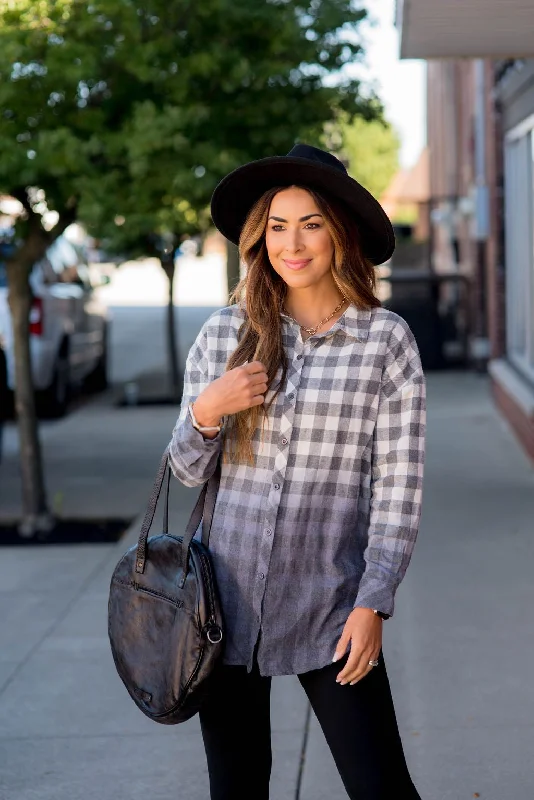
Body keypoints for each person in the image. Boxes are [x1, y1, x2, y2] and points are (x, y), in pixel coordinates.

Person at [168, 144, 426, 800]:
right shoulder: (223, 335)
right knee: (237, 787)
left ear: (340, 231)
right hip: (220, 611)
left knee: (382, 788)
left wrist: (375, 599)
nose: (293, 242)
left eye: (310, 223)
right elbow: (188, 474)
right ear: (260, 239)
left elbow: (398, 484)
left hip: (331, 604)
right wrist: (205, 411)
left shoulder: (384, 341)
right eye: (277, 226)